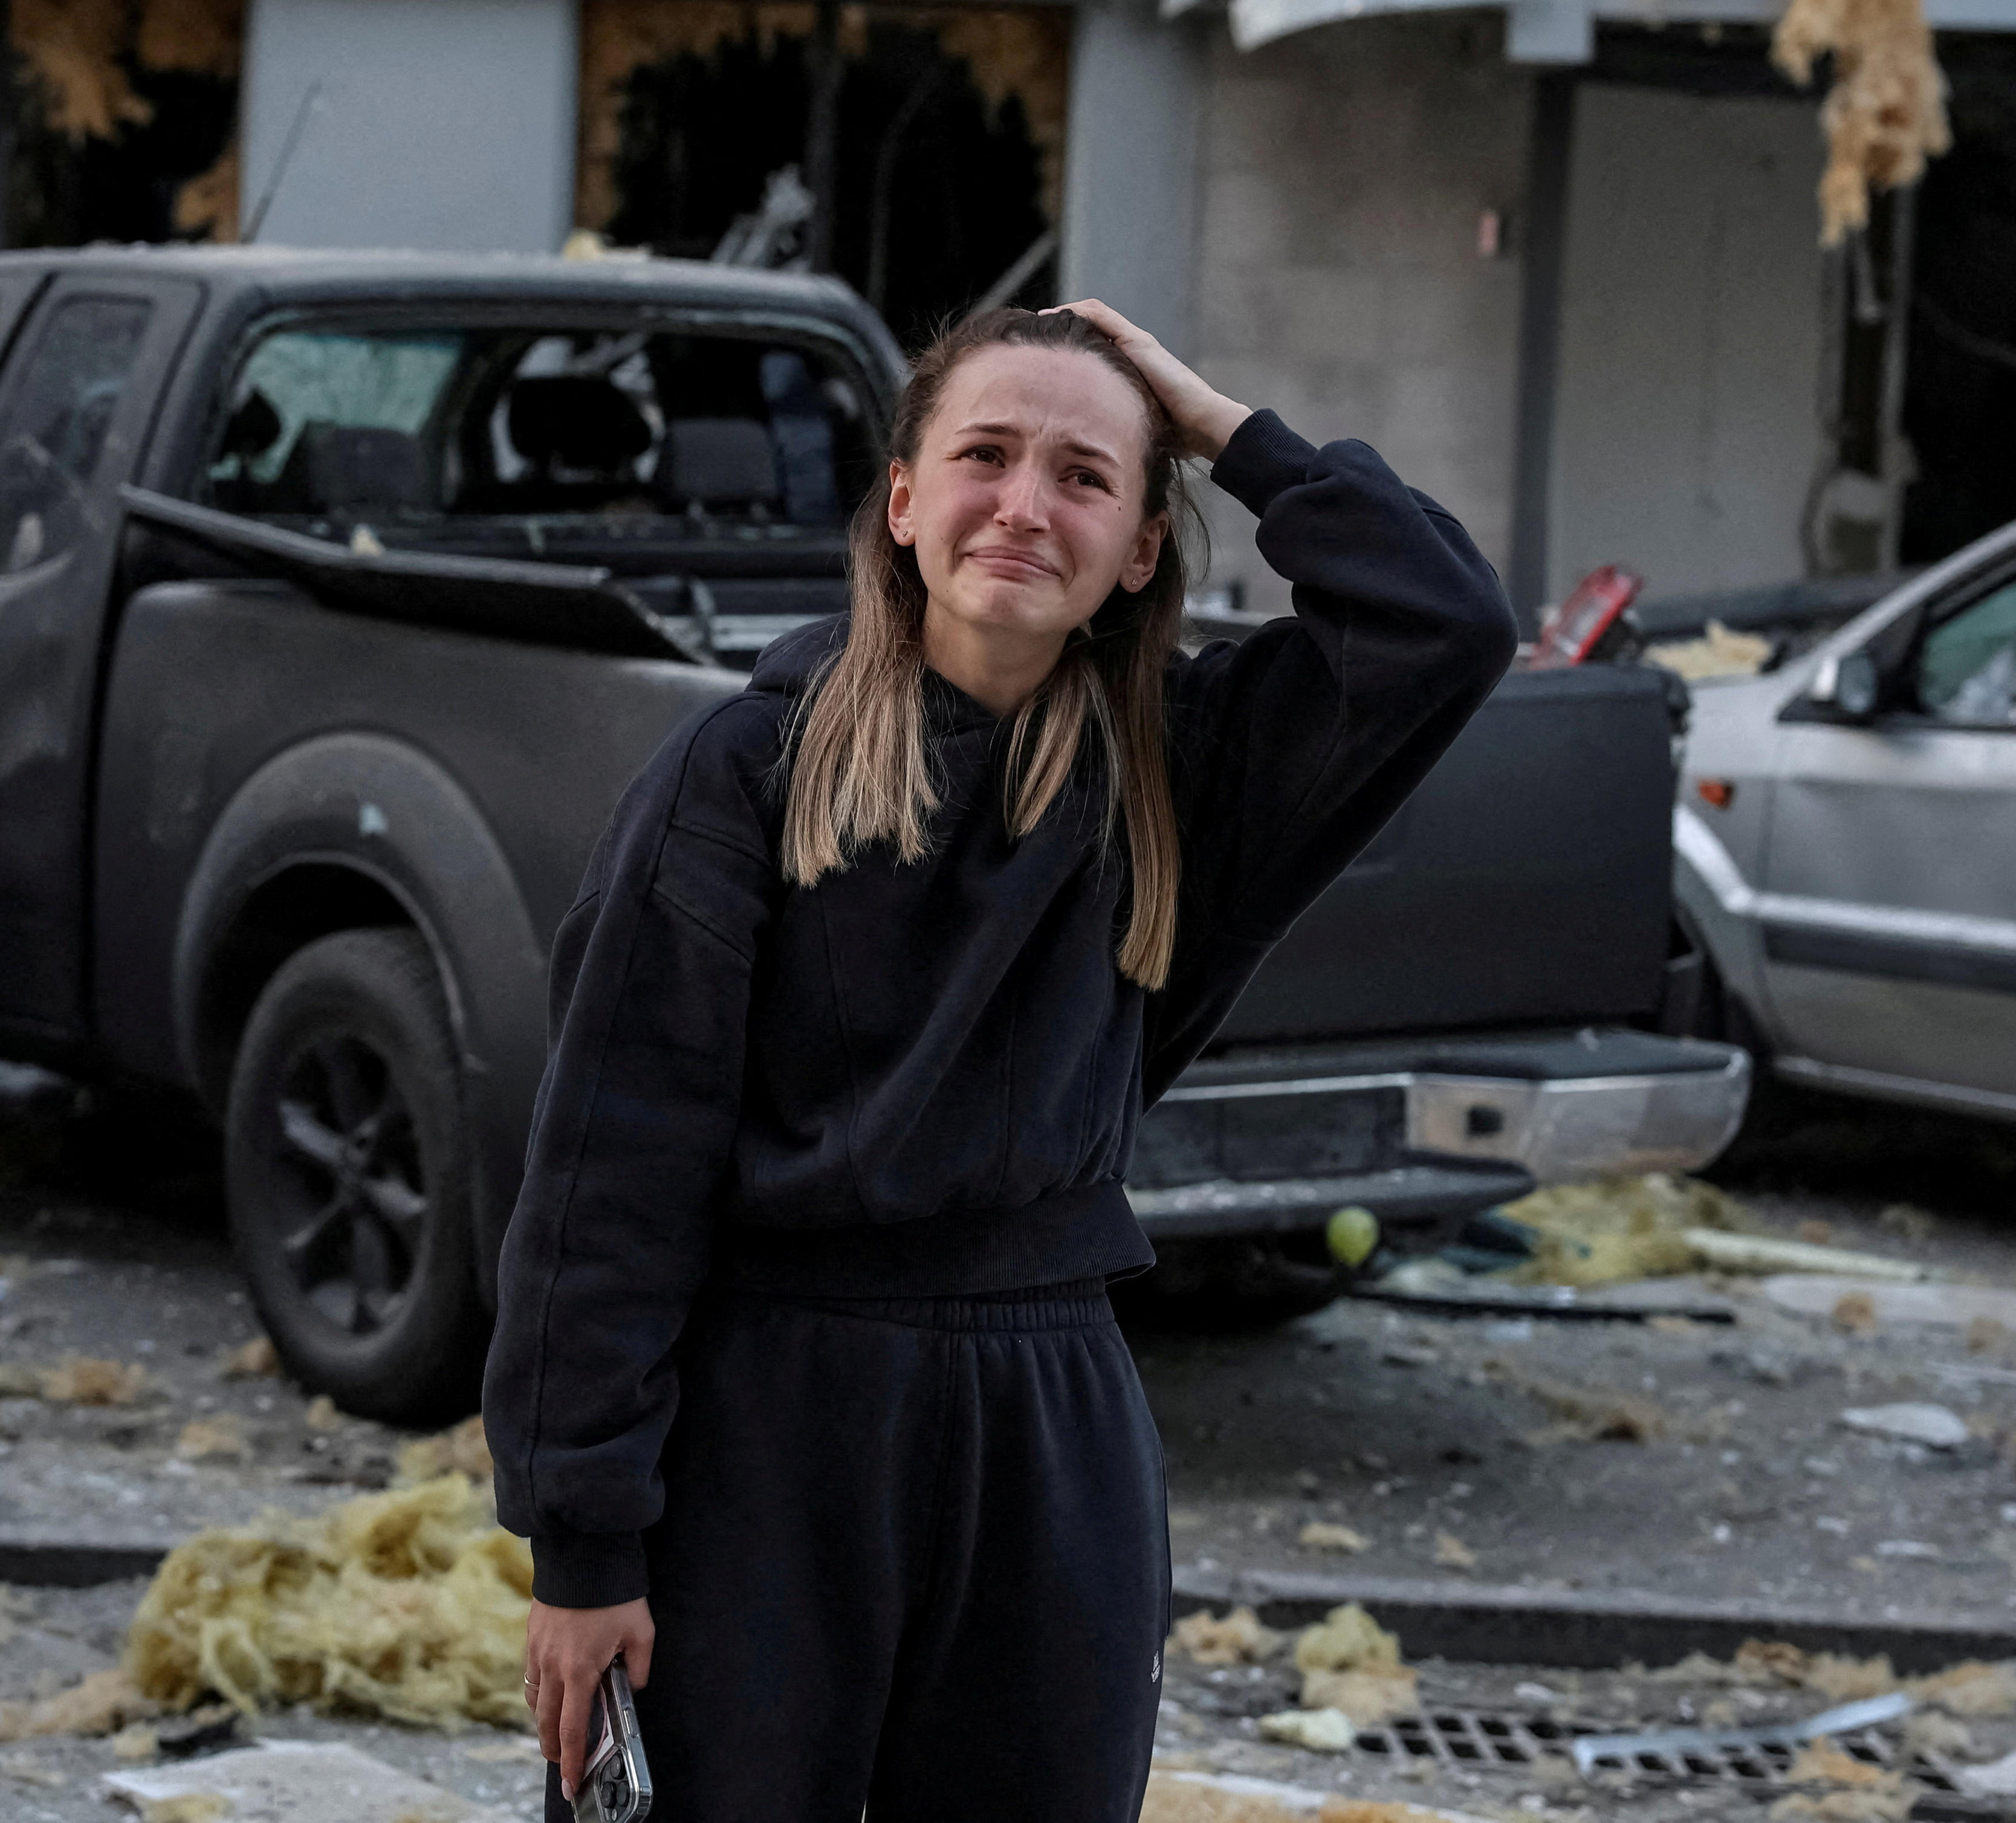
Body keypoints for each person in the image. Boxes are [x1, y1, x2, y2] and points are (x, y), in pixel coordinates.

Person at [484, 300, 1521, 1822]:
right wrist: (583, 1544)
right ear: (902, 501)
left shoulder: (1183, 771)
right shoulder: (738, 773)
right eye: (984, 455)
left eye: (1085, 476)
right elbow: (606, 1176)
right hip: (767, 1421)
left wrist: (1215, 423)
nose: (1026, 505)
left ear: (1142, 547)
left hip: (1049, 1430)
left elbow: (1445, 623)